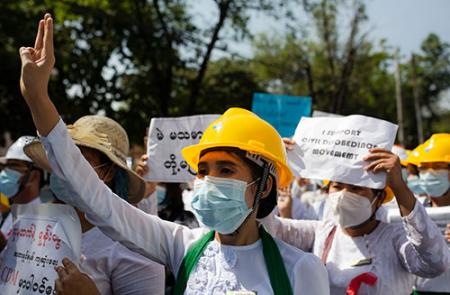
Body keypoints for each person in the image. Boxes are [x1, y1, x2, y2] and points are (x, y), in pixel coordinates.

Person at [19, 13, 329, 294]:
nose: (208, 181)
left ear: (264, 186)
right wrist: (38, 100)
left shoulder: (301, 269)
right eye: (203, 170)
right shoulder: (182, 246)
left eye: (226, 170)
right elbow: (99, 200)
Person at [262, 136, 450, 294]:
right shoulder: (322, 233)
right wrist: (271, 169)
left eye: (355, 188)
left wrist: (400, 188)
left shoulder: (395, 238)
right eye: (337, 186)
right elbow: (267, 228)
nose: (344, 194)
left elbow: (435, 263)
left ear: (378, 198)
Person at [24, 115, 166, 295]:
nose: (64, 167)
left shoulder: (137, 245)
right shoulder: (38, 226)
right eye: (61, 158)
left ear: (107, 172)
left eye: (78, 160)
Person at [412, 133, 450, 295]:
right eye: (424, 167)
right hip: (419, 290)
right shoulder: (414, 208)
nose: (428, 173)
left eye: (437, 166)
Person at [0, 136, 46, 238]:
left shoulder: (45, 222)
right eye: (6, 167)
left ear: (34, 176)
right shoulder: (9, 213)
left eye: (14, 166)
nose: (5, 172)